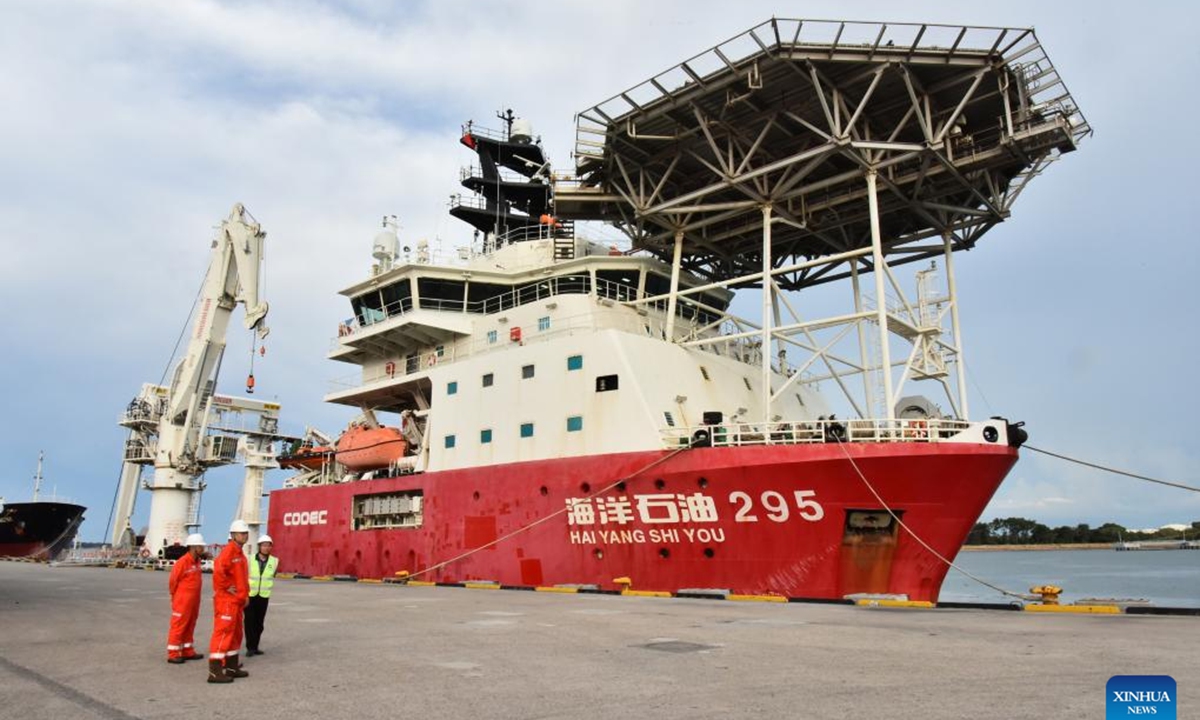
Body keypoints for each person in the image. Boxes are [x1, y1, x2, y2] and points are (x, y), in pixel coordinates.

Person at [206, 519, 251, 684]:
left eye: (246, 533)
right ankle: (215, 671)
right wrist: (226, 586)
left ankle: (232, 667)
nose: (244, 536)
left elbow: (241, 578)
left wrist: (245, 596)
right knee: (223, 633)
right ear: (233, 535)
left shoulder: (239, 553)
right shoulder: (229, 552)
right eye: (241, 533)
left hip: (237, 601)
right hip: (227, 601)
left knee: (235, 634)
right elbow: (218, 569)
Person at [166, 534, 207, 664]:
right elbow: (173, 581)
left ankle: (187, 650)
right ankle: (173, 653)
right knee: (179, 625)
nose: (203, 549)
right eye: (201, 546)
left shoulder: (197, 561)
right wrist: (175, 597)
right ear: (193, 547)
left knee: (190, 624)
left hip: (194, 600)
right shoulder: (182, 562)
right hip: (182, 600)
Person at [244, 534, 278, 656]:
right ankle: (250, 648)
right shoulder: (249, 559)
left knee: (259, 623)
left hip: (263, 596)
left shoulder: (275, 561)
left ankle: (255, 646)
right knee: (249, 622)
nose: (266, 548)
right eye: (264, 545)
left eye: (268, 545)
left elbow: (272, 575)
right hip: (250, 595)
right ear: (259, 546)